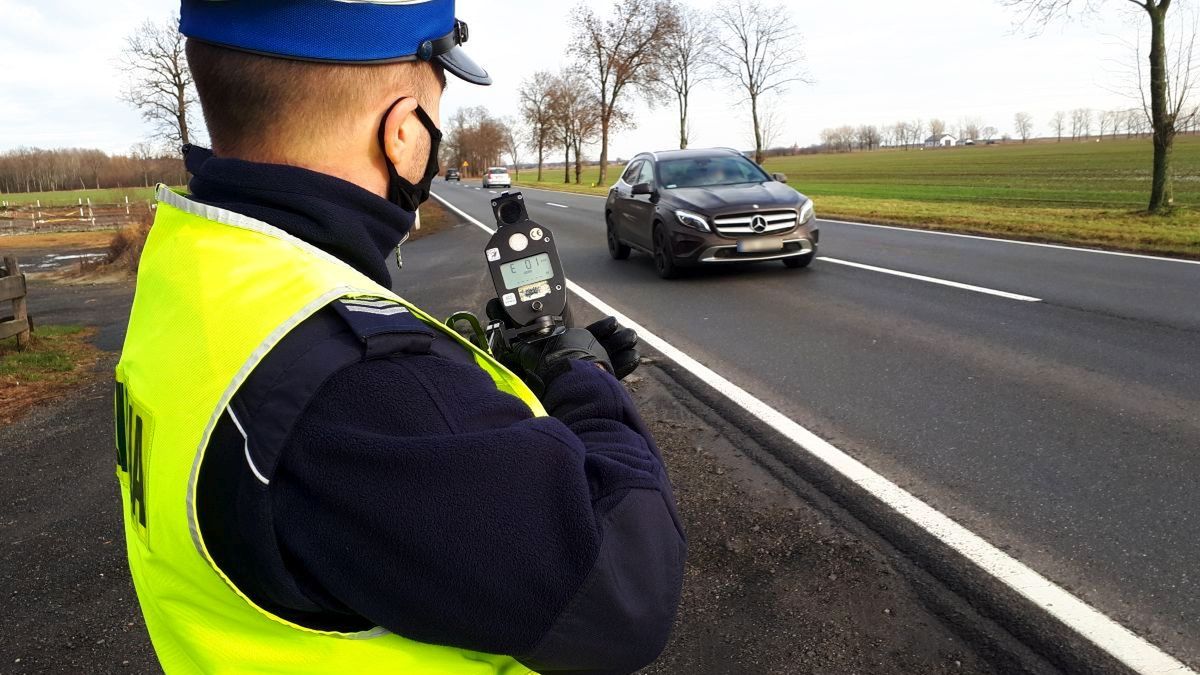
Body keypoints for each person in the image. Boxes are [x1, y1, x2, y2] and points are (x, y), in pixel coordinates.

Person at [112, 1, 686, 673]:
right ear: (403, 132)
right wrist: (582, 380)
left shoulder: (193, 270)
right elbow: (627, 588)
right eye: (438, 107)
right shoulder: (357, 382)